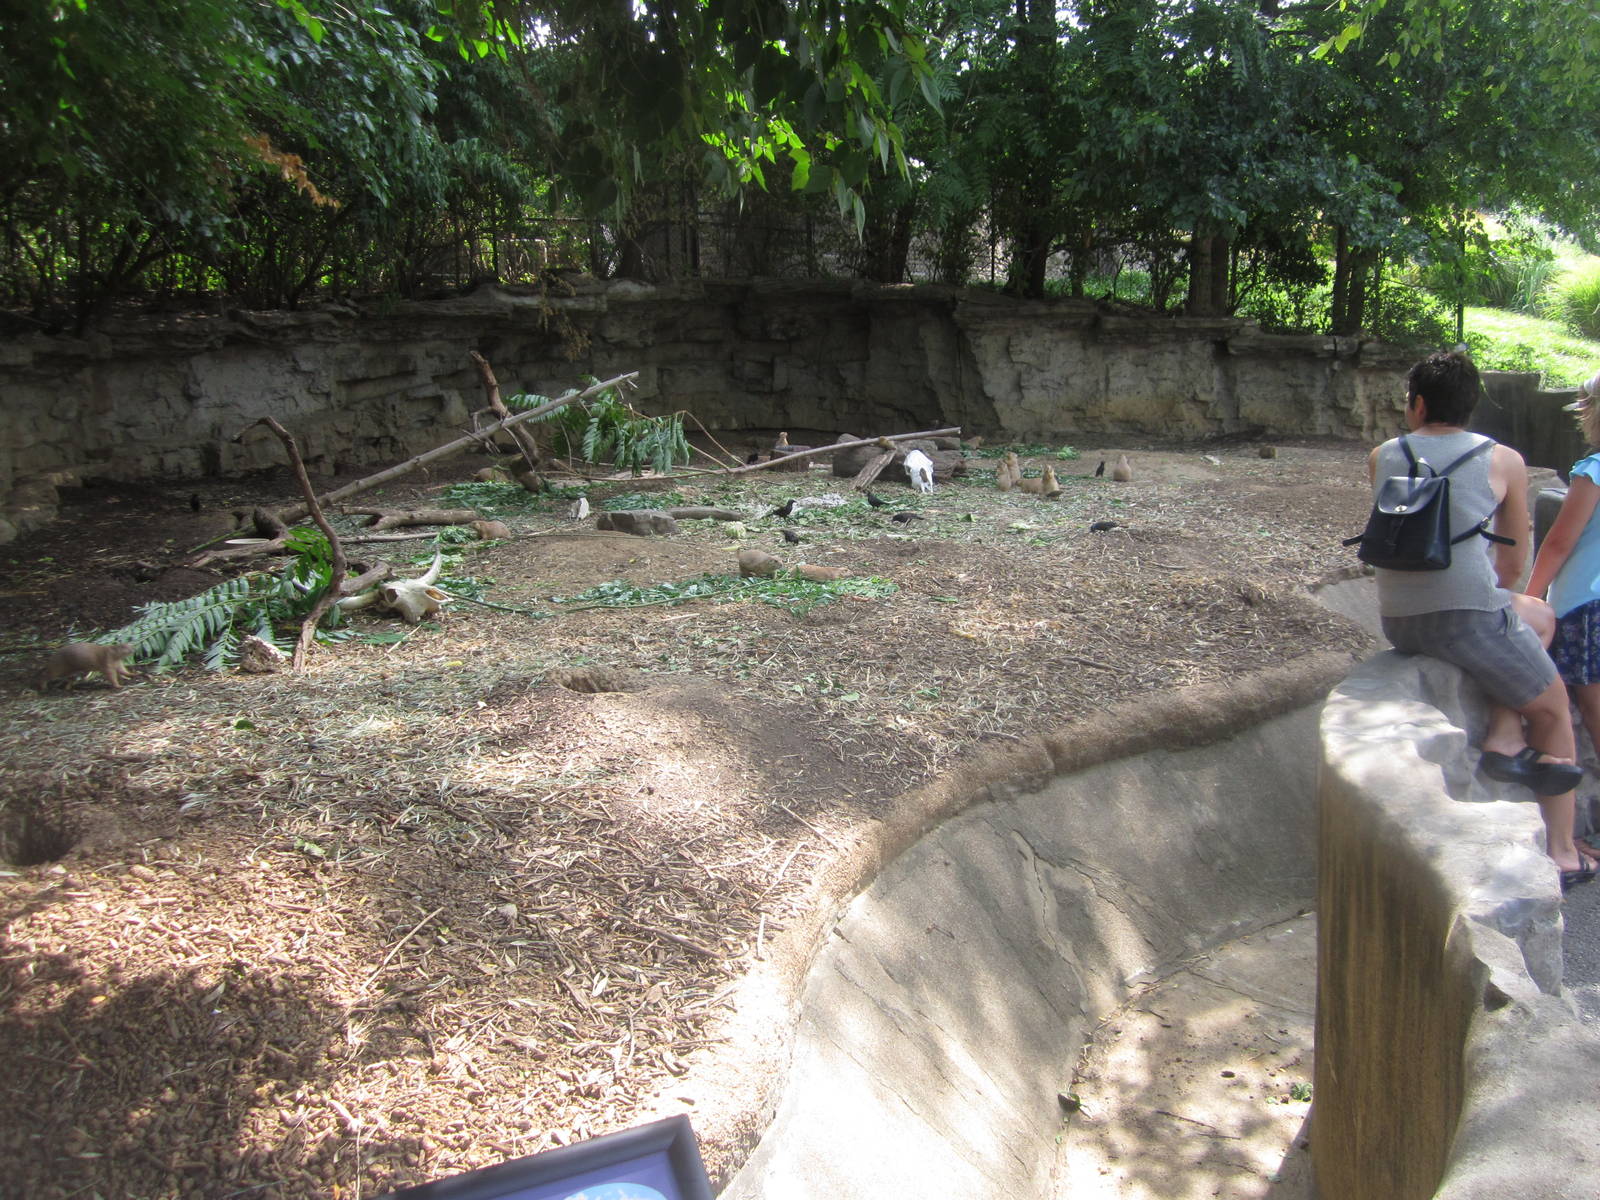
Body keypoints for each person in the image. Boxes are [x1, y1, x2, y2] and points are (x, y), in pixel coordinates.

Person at [1369, 350, 1592, 888]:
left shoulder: (1383, 455)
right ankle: (1562, 852)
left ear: (1418, 404)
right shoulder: (1504, 460)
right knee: (1555, 709)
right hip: (1466, 617)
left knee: (1536, 617)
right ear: (1471, 407)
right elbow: (1514, 563)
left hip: (1398, 618)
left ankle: (1502, 733)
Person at [1523, 371, 1600, 862]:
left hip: (1584, 610)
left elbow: (1559, 541)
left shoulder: (1592, 470)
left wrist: (1529, 598)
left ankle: (1564, 839)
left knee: (1590, 723)